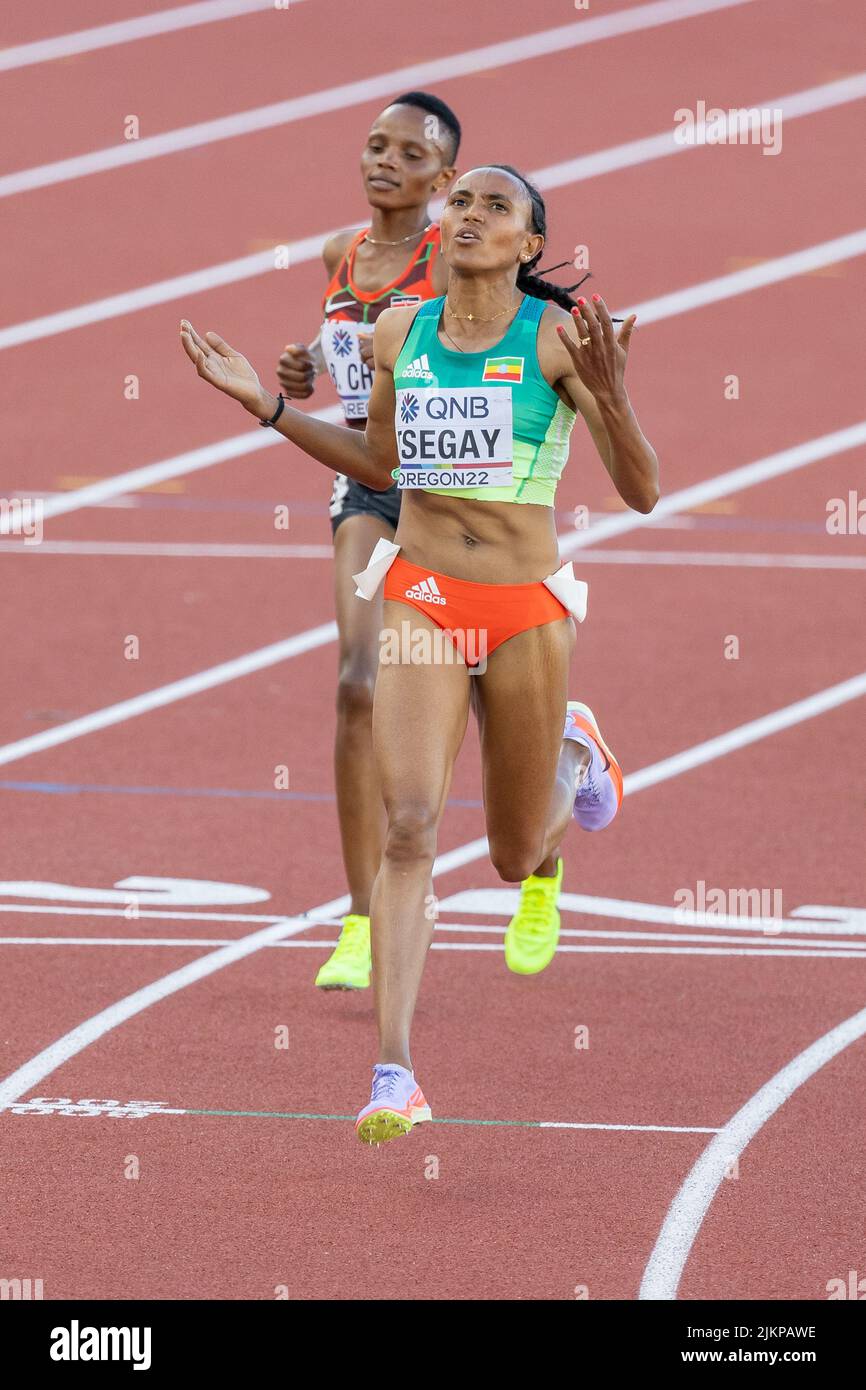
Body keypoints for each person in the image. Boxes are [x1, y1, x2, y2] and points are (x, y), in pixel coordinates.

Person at [180, 164, 659, 1145]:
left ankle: (574, 752)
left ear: (530, 246)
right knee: (409, 826)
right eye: (465, 202)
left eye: (497, 207)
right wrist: (265, 409)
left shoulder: (557, 339)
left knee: (515, 851)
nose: (471, 215)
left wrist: (611, 402)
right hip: (423, 594)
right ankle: (393, 1071)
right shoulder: (403, 331)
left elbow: (641, 491)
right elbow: (382, 468)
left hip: (523, 607)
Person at [275, 91, 458, 991]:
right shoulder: (337, 253)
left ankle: (542, 855)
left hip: (456, 496)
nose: (385, 161)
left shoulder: (456, 256)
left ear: (444, 179)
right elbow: (343, 349)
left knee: (498, 706)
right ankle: (358, 916)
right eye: (376, 145)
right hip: (369, 485)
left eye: (409, 154)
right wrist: (304, 366)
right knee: (356, 684)